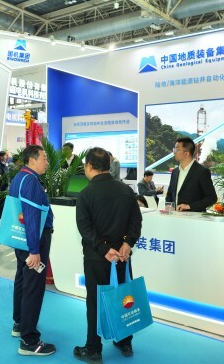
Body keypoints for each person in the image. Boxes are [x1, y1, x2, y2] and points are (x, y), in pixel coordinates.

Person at [74, 147, 142, 363]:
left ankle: (93, 349)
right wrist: (128, 243)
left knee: (95, 302)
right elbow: (136, 220)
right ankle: (125, 342)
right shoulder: (125, 190)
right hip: (122, 256)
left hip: (97, 258)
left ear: (89, 166)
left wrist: (104, 249)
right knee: (123, 297)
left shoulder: (86, 194)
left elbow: (85, 229)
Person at [11, 144, 56, 356]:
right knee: (33, 287)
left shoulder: (20, 177)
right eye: (44, 158)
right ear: (32, 160)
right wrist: (34, 250)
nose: (47, 162)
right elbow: (30, 216)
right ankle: (29, 341)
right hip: (34, 240)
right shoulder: (29, 181)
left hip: (24, 240)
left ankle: (20, 323)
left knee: (22, 279)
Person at [165, 137, 217, 212]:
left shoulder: (202, 172)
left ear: (186, 153)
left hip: (194, 217)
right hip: (174, 216)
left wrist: (189, 206)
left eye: (177, 149)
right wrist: (168, 205)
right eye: (174, 149)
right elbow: (170, 194)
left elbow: (211, 198)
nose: (174, 152)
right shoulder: (175, 172)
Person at [0, 151, 9, 219]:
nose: (6, 157)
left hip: (5, 185)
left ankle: (2, 214)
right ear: (1, 157)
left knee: (3, 201)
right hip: (1, 186)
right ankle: (0, 214)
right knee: (1, 201)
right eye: (5, 155)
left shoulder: (4, 164)